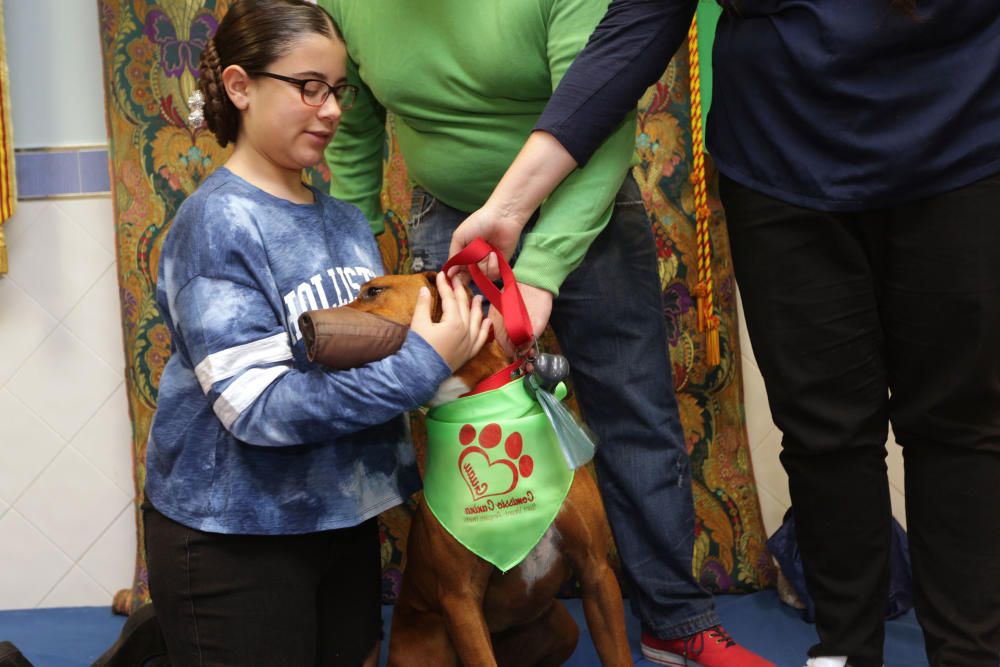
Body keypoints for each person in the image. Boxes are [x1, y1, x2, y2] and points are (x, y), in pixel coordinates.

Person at [449, 1, 1000, 666]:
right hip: (782, 157)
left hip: (964, 138)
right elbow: (638, 25)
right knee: (825, 427)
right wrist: (510, 205)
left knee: (958, 421)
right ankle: (849, 646)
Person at [319, 1, 773, 665]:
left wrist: (540, 270)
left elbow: (605, 104)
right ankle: (487, 597)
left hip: (579, 191)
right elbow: (356, 136)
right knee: (456, 420)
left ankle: (677, 620)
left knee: (633, 409)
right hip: (451, 214)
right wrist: (353, 265)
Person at [141, 1, 491, 665]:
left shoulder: (347, 223)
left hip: (343, 519)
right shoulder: (216, 223)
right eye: (308, 88)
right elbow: (255, 408)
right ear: (242, 87)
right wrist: (423, 363)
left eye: (337, 90)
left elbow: (368, 359)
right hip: (234, 537)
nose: (330, 109)